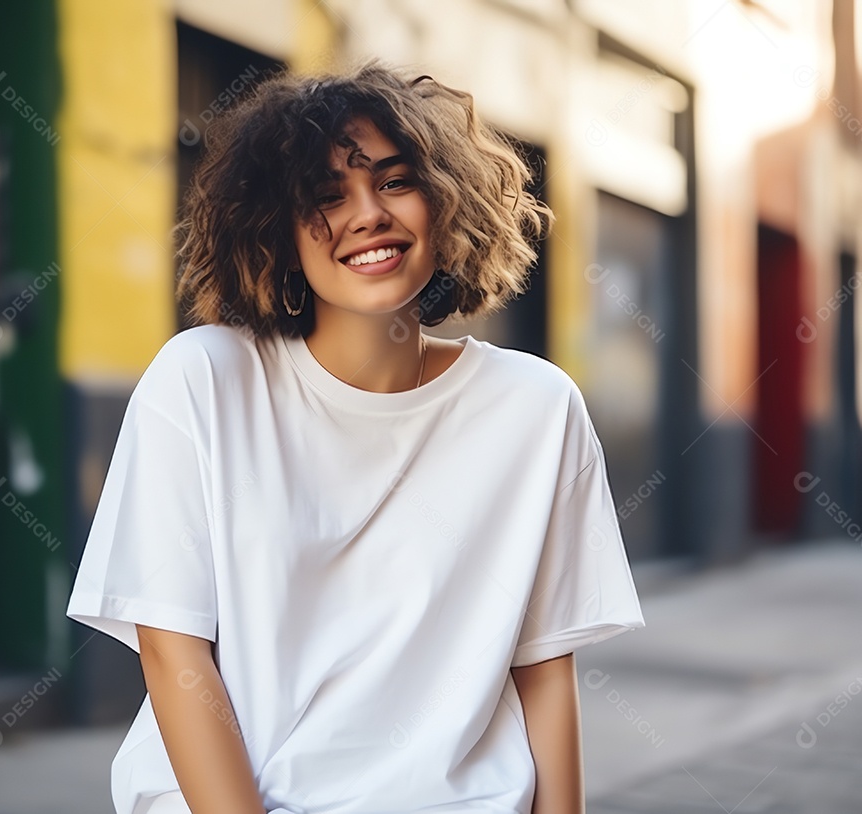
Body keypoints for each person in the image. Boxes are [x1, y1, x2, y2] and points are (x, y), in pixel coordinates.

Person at [66, 58, 645, 814]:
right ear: (276, 225)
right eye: (326, 196)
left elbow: (542, 668)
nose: (367, 213)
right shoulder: (202, 380)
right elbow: (175, 655)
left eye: (396, 180)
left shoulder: (536, 409)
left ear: (445, 201)